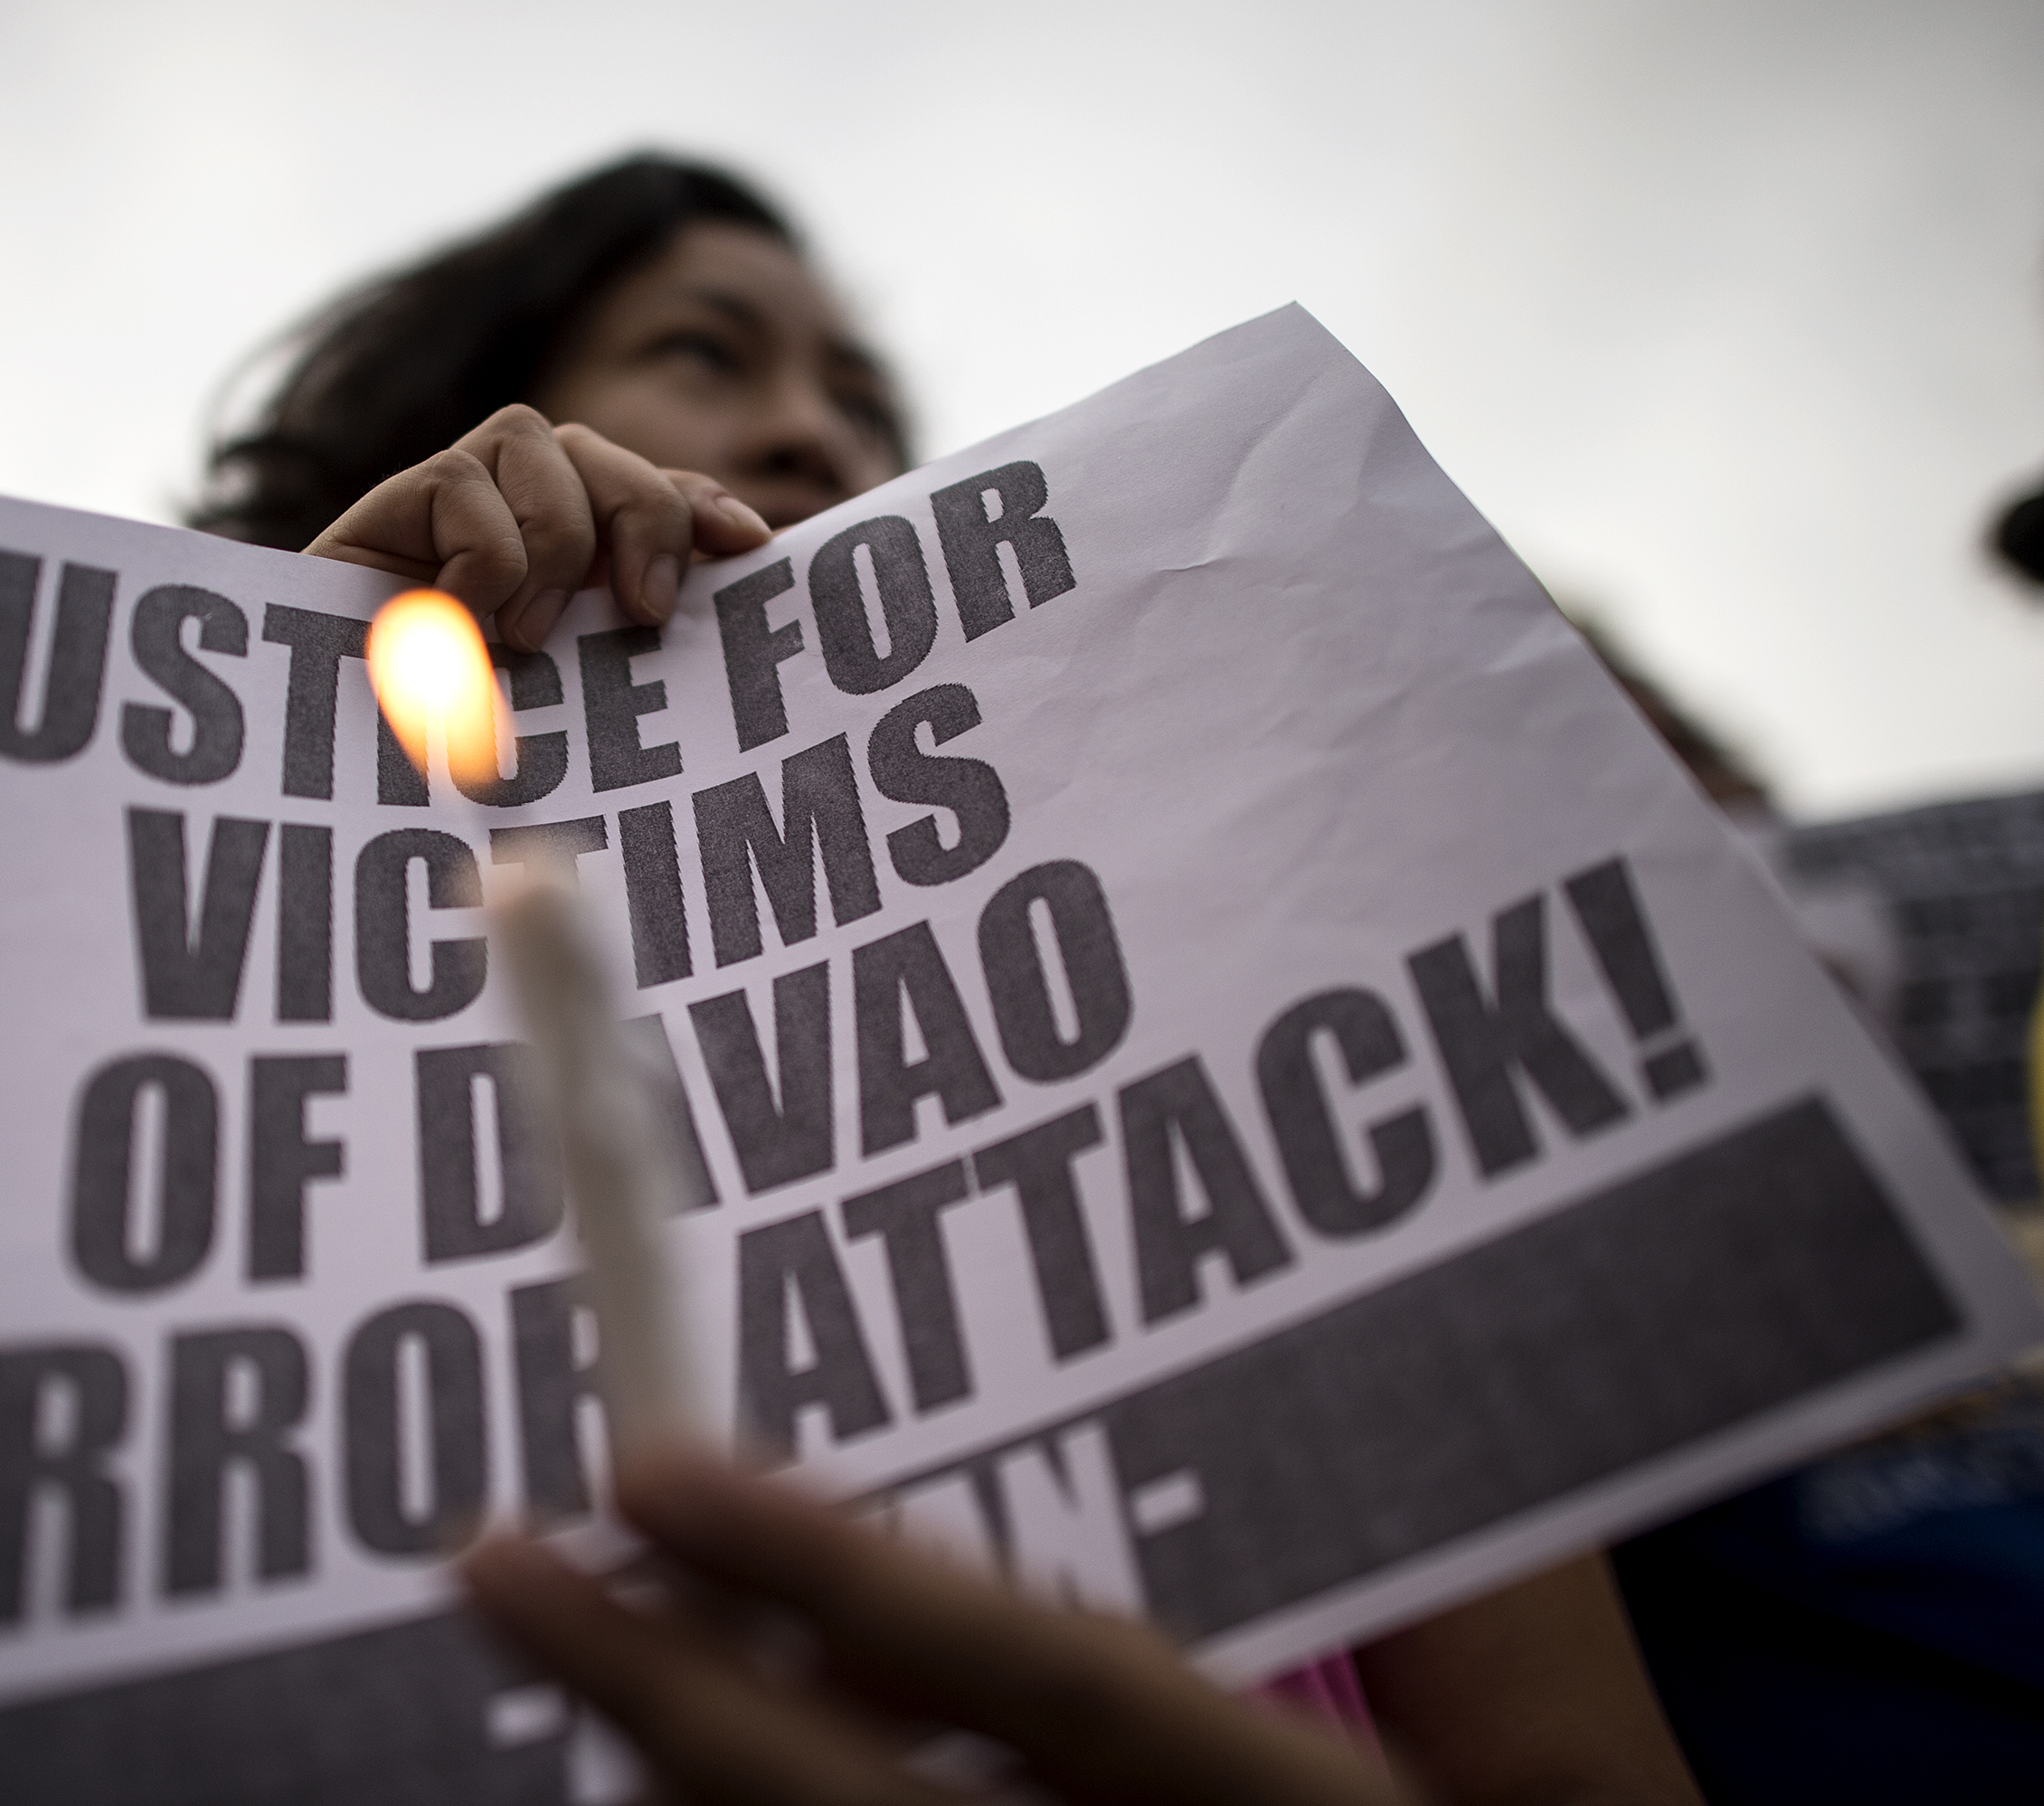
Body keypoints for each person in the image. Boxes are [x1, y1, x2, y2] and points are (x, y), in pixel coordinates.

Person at [200, 154, 1702, 1804]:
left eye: (861, 396)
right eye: (706, 352)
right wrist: (292, 761)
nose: (814, 433)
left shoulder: (1261, 1070)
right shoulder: (265, 1148)